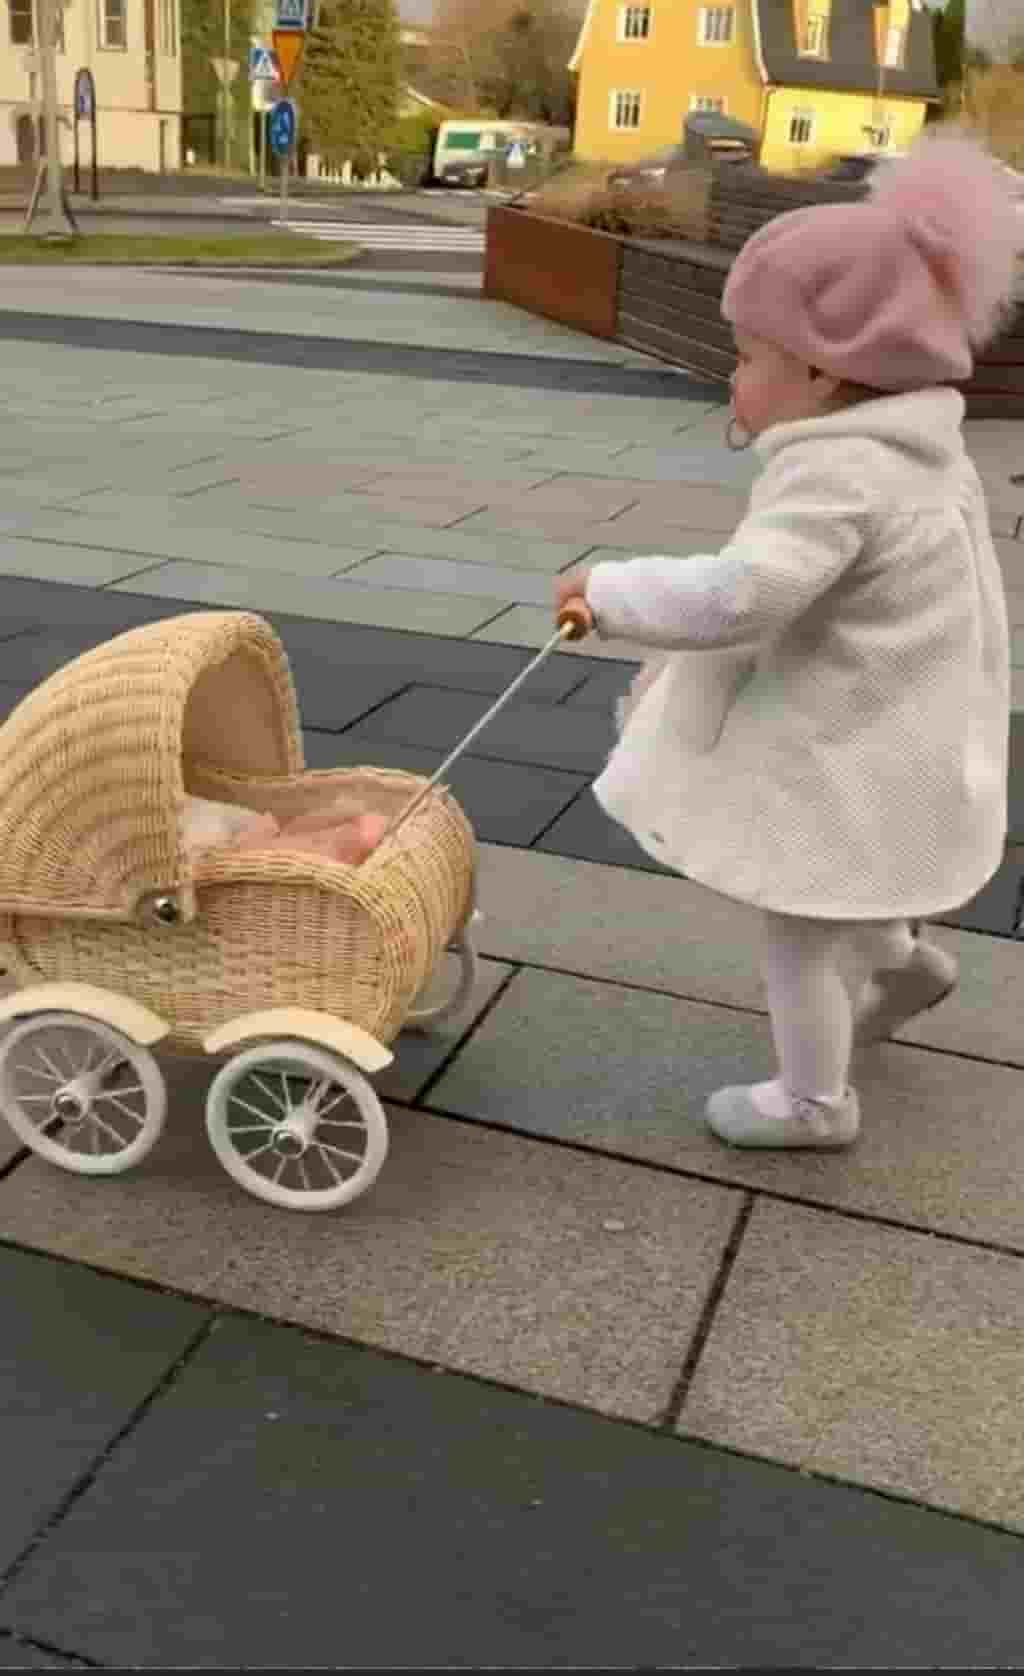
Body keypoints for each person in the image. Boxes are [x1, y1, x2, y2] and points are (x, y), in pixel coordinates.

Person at [554, 130, 1020, 1150]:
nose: (734, 377)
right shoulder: (917, 446)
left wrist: (610, 587)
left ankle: (813, 1100)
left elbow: (742, 596)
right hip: (903, 720)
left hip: (842, 738)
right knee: (852, 875)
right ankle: (899, 959)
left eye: (746, 356)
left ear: (817, 368)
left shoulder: (838, 472)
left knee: (797, 918)